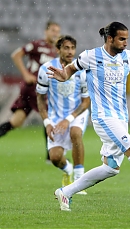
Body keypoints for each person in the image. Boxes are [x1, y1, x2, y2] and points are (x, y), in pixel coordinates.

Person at [47, 21, 130, 211]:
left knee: (111, 168)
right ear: (110, 39)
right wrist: (64, 75)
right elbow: (71, 69)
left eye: (127, 39)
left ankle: (65, 192)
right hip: (103, 117)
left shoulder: (128, 56)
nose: (125, 43)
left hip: (121, 117)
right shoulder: (91, 56)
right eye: (121, 39)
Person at [36, 35, 91, 194]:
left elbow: (86, 102)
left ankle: (79, 182)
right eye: (66, 48)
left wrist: (68, 120)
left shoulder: (81, 70)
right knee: (55, 158)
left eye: (72, 48)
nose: (70, 51)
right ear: (58, 49)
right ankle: (68, 170)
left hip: (76, 113)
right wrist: (47, 123)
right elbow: (40, 98)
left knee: (75, 133)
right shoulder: (46, 69)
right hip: (55, 116)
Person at [0, 21, 61, 163]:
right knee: (49, 118)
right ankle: (50, 157)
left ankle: (50, 155)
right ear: (46, 31)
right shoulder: (37, 45)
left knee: (16, 122)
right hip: (32, 88)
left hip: (38, 89)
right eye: (53, 30)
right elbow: (16, 55)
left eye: (57, 31)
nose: (55, 34)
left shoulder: (55, 51)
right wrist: (25, 74)